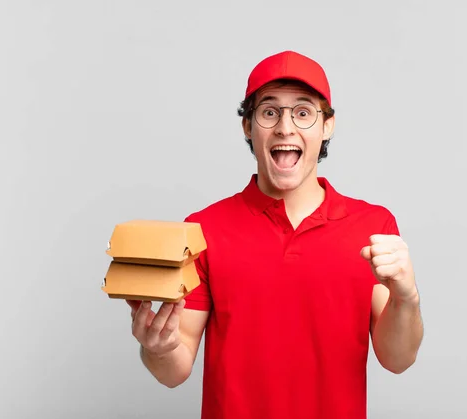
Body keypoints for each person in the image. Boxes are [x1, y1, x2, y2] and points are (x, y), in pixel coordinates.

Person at [126, 50, 424, 419]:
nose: (286, 127)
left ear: (326, 126)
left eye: (303, 112)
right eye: (269, 112)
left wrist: (407, 297)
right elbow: (175, 368)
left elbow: (398, 359)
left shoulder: (373, 226)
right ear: (248, 127)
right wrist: (156, 347)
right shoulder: (202, 229)